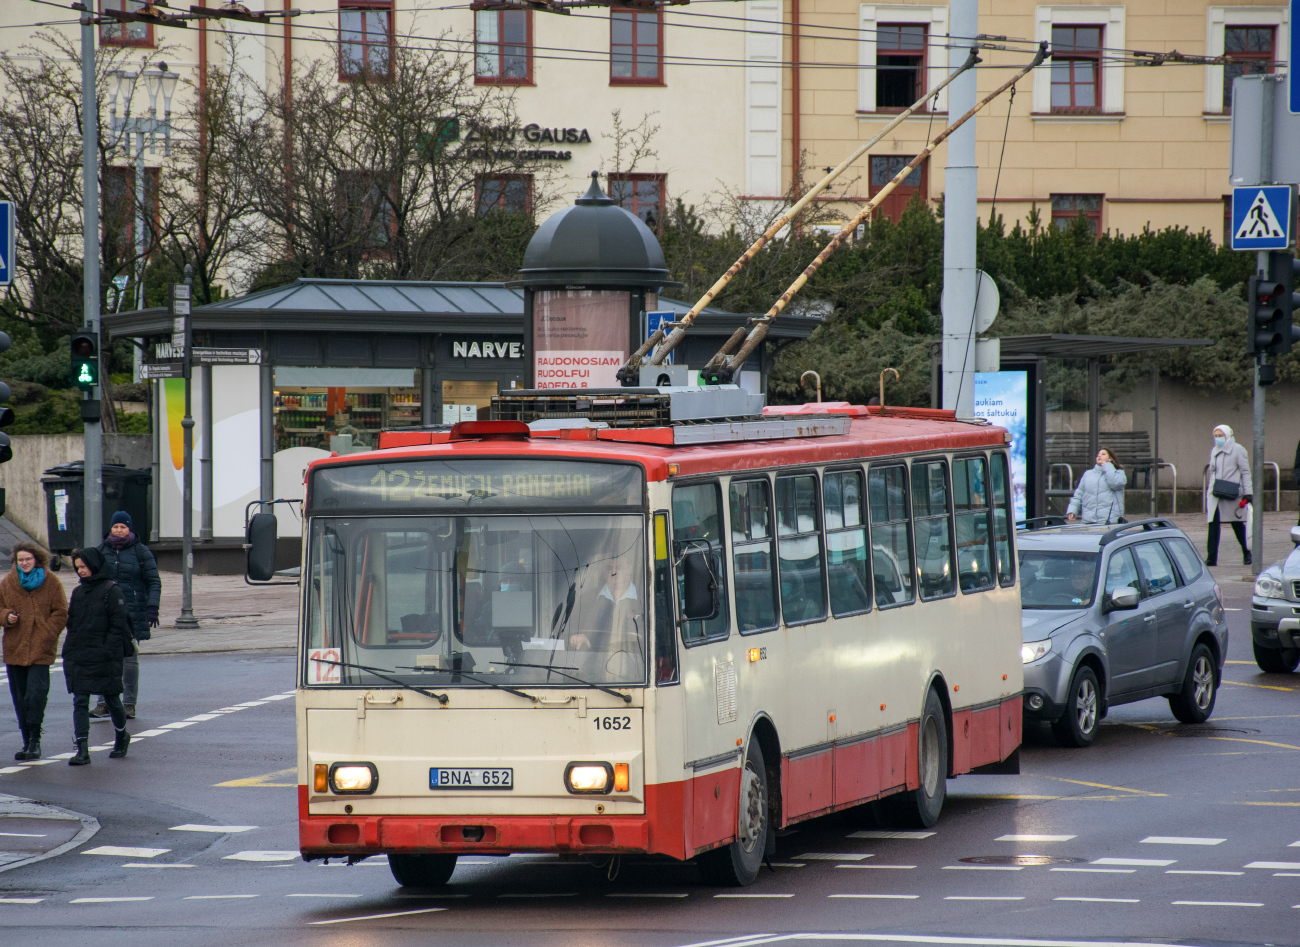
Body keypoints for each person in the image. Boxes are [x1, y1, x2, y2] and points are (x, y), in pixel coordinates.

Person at [62, 548, 134, 765]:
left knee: (112, 699)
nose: (81, 571)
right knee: (80, 700)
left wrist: (106, 651)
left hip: (105, 656)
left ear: (94, 565)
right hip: (80, 654)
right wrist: (71, 650)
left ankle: (122, 735)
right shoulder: (78, 592)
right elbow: (72, 623)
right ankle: (82, 749)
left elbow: (119, 625)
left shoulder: (111, 591)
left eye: (84, 566)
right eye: (78, 568)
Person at [0, 542, 68, 761]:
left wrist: (48, 632)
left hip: (41, 647)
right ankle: (26, 740)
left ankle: (35, 741)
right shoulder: (8, 582)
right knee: (20, 697)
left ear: (36, 560)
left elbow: (61, 611)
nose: (24, 563)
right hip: (15, 647)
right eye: (20, 560)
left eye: (28, 559)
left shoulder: (52, 582)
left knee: (36, 695)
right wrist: (6, 616)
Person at [90, 512, 159, 720]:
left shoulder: (140, 551)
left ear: (130, 529)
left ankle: (129, 704)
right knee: (105, 658)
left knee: (129, 658)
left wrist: (152, 607)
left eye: (122, 527)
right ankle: (103, 703)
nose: (118, 530)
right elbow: (90, 581)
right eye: (115, 527)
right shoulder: (101, 551)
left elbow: (153, 581)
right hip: (105, 612)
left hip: (131, 612)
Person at [1205, 424, 1252, 566]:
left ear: (1228, 435)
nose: (1218, 439)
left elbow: (1245, 472)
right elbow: (1213, 470)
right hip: (1215, 491)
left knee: (1237, 524)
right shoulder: (1214, 450)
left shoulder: (1238, 450)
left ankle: (1247, 552)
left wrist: (1248, 492)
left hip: (1232, 492)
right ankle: (1211, 558)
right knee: (1213, 524)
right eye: (1216, 436)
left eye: (1221, 436)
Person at [1066, 447, 1127, 525]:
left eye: (1103, 454)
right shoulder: (1088, 474)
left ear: (1110, 459)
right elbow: (1079, 494)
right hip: (1088, 522)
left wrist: (1107, 466)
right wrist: (1072, 510)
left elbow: (1115, 483)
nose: (1099, 456)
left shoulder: (1119, 473)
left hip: (1109, 522)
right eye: (1098, 454)